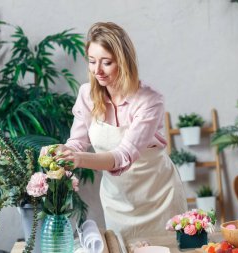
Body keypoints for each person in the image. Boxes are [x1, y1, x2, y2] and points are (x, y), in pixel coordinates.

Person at [40, 22, 187, 240]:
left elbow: (122, 155)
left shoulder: (149, 101)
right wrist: (62, 152)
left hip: (159, 197)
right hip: (117, 201)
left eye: (106, 62)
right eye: (92, 61)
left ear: (124, 62)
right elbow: (77, 143)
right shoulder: (87, 95)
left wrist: (77, 159)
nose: (97, 70)